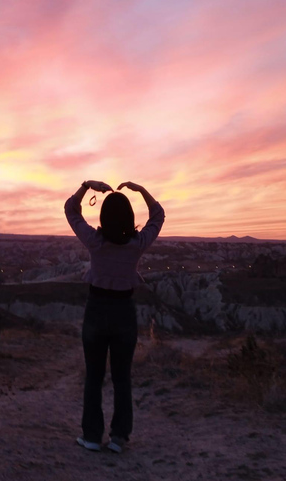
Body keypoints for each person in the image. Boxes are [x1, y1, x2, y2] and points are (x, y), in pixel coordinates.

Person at [65, 180, 165, 453]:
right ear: (129, 218)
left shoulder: (96, 243)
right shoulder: (136, 245)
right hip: (124, 313)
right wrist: (142, 190)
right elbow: (158, 216)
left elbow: (71, 211)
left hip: (96, 310)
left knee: (94, 377)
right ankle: (119, 437)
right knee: (122, 377)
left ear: (103, 217)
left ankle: (92, 437)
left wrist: (86, 187)